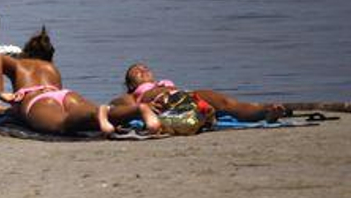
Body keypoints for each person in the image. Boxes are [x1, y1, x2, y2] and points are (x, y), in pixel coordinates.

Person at [0, 27, 157, 135]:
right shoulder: (52, 69)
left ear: (26, 52)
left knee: (62, 124)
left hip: (37, 100)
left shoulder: (19, 64)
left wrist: (2, 94)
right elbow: (58, 101)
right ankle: (136, 110)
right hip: (66, 95)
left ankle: (98, 113)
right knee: (94, 116)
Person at [101, 63, 287, 131]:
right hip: (166, 103)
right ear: (131, 84)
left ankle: (265, 111)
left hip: (187, 95)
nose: (141, 69)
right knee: (192, 107)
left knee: (227, 103)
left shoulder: (162, 83)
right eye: (136, 71)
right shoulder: (133, 95)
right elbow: (117, 108)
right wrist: (141, 108)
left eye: (145, 68)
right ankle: (203, 116)